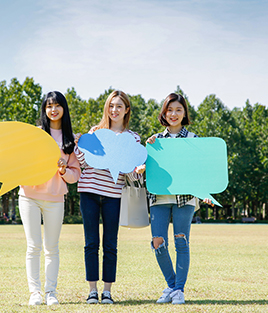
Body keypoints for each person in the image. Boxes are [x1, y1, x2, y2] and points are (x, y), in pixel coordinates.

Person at [0, 91, 81, 306]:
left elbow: (75, 175)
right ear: (44, 110)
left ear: (64, 109)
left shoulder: (72, 140)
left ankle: (51, 293)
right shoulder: (35, 134)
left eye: (57, 105)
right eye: (49, 106)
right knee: (33, 247)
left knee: (52, 247)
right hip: (28, 197)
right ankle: (35, 293)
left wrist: (62, 171)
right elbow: (11, 157)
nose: (53, 109)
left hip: (55, 198)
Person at [74, 90, 145, 305]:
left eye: (119, 106)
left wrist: (139, 170)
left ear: (127, 110)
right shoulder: (95, 132)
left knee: (111, 244)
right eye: (111, 106)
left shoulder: (133, 139)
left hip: (114, 195)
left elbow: (130, 173)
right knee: (91, 243)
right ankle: (92, 291)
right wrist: (80, 146)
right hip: (89, 192)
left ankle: (107, 292)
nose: (114, 110)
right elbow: (84, 163)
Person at [146, 93, 213, 305]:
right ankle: (172, 285)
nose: (173, 114)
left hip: (185, 198)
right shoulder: (155, 141)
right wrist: (143, 165)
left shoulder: (193, 140)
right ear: (163, 113)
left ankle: (178, 291)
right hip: (159, 196)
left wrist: (206, 192)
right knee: (158, 242)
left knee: (181, 241)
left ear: (185, 113)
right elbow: (151, 170)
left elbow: (200, 171)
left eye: (178, 110)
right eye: (169, 110)